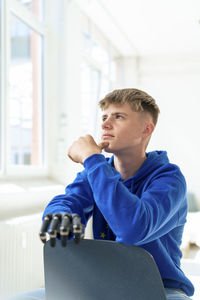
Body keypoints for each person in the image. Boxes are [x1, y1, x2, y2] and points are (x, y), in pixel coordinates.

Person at [9, 88, 194, 299]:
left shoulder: (169, 179)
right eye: (104, 117)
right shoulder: (94, 173)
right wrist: (61, 223)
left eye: (119, 117)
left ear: (146, 129)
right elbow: (66, 203)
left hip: (162, 290)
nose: (105, 124)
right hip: (101, 285)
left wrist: (91, 158)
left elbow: (132, 229)